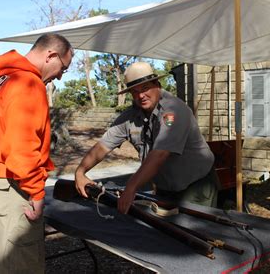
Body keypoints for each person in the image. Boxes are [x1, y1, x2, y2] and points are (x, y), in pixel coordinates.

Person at [0, 33, 73, 274]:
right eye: (62, 68)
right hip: (6, 187)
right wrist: (36, 192)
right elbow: (21, 149)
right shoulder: (27, 84)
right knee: (20, 263)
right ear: (50, 55)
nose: (60, 76)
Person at [75, 61, 218, 215]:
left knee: (194, 234)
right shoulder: (130, 116)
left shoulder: (174, 110)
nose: (141, 96)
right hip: (165, 188)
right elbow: (102, 146)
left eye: (145, 88)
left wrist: (131, 186)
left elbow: (160, 154)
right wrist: (80, 172)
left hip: (196, 186)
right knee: (163, 234)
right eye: (134, 92)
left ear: (157, 84)